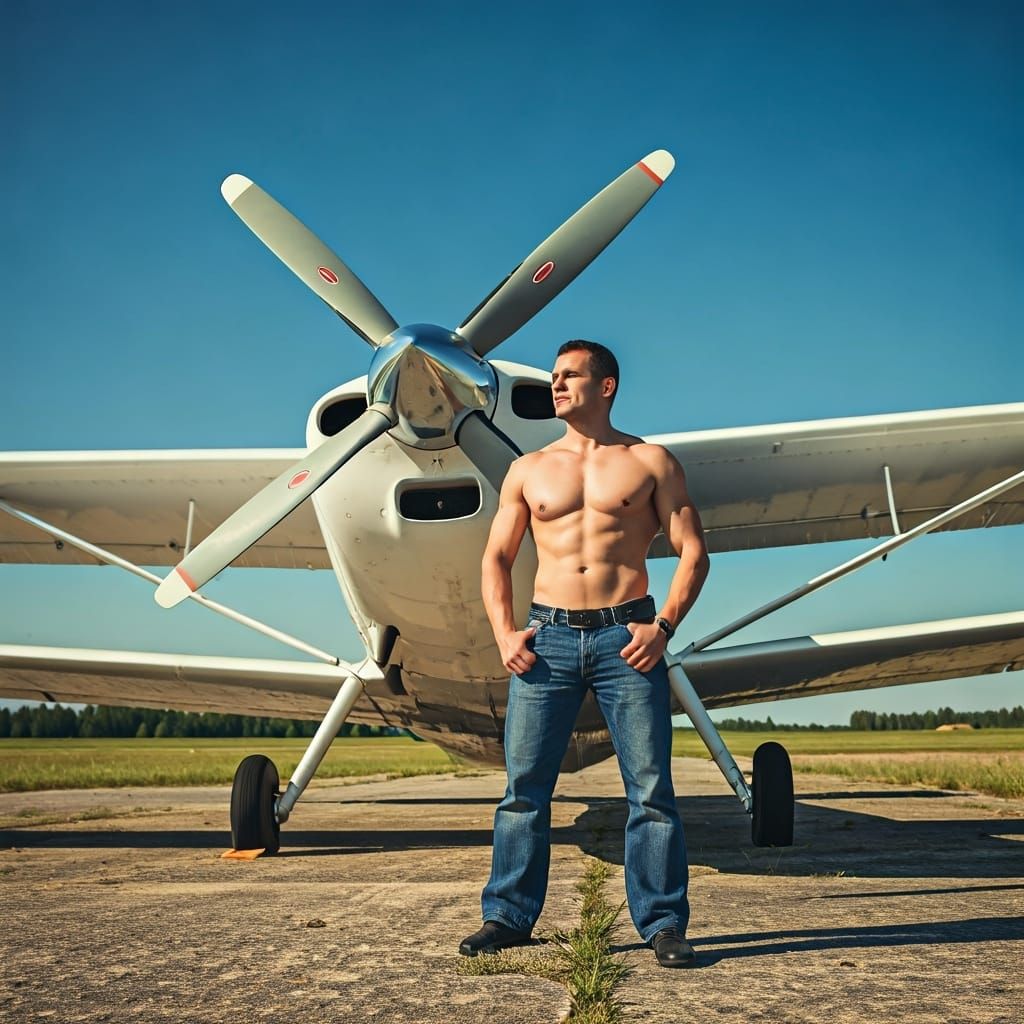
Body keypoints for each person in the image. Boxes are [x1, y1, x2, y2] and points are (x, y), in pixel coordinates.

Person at [459, 340, 710, 968]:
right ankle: (508, 917)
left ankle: (663, 925)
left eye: (570, 376)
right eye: (554, 377)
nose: (556, 385)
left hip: (628, 638)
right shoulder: (529, 468)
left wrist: (665, 626)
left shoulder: (650, 461)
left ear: (607, 386)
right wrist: (504, 633)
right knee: (524, 789)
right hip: (545, 639)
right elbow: (495, 557)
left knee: (650, 790)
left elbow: (693, 552)